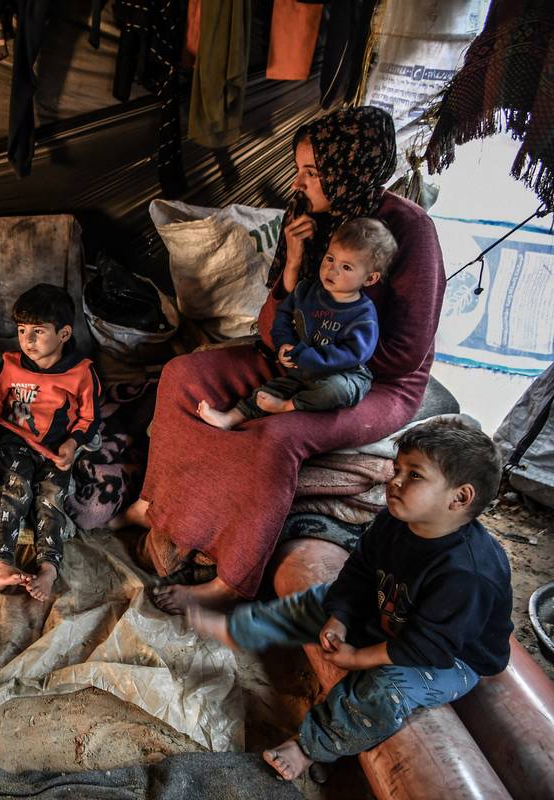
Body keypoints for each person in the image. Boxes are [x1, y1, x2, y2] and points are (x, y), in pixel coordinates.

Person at [117, 106, 445, 613]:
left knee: (276, 434)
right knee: (183, 374)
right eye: (300, 169)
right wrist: (293, 264)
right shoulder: (307, 216)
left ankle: (231, 581)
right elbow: (271, 326)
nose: (299, 182)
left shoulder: (409, 231)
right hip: (293, 356)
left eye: (313, 173)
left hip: (369, 380)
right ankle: (159, 507)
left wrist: (313, 357)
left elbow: (404, 356)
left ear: (349, 168)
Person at [187, 418, 512, 781]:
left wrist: (358, 657)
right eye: (398, 469)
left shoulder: (467, 573)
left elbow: (428, 648)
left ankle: (311, 746)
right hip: (395, 615)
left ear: (460, 497)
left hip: (449, 658)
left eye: (415, 475)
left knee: (385, 689)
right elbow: (358, 572)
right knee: (320, 600)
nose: (396, 481)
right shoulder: (394, 521)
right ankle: (243, 629)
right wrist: (339, 616)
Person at [198, 218, 398, 429]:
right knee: (269, 390)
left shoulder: (363, 314)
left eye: (346, 267)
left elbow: (353, 354)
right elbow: (283, 317)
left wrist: (303, 355)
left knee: (334, 391)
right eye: (330, 258)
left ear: (369, 279)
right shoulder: (306, 291)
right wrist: (283, 344)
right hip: (301, 372)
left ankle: (288, 405)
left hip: (344, 374)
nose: (332, 270)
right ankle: (230, 418)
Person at [0, 284, 101, 601]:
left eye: (38, 331)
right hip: (16, 443)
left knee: (51, 498)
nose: (27, 340)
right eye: (21, 330)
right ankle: (0, 563)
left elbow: (89, 419)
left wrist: (73, 444)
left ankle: (48, 567)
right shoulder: (11, 364)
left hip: (56, 448)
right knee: (14, 489)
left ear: (64, 334)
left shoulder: (81, 373)